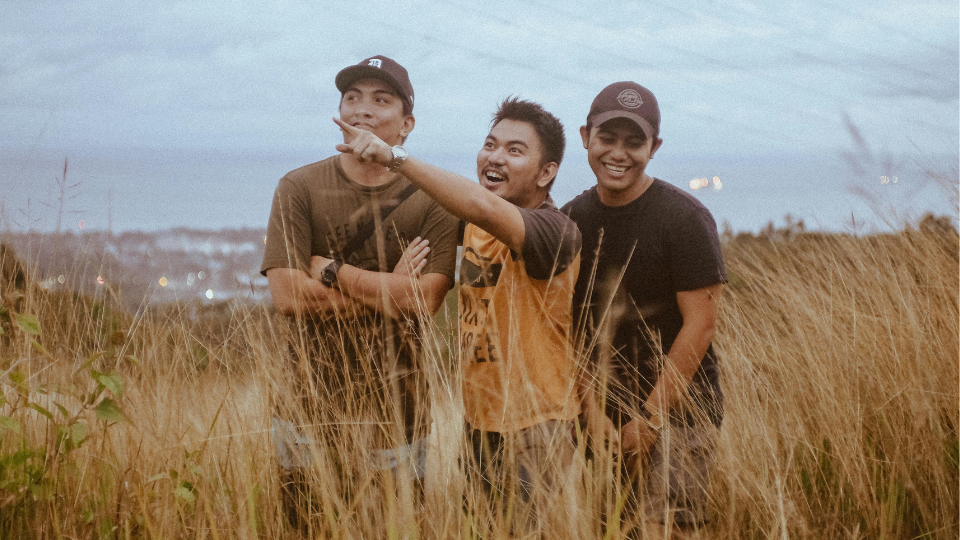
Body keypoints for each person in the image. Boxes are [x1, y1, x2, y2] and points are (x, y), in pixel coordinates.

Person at [332, 97, 583, 534]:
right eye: (490, 144)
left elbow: (480, 205)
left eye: (515, 150)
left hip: (538, 426)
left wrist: (394, 157)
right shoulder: (472, 229)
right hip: (480, 421)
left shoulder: (554, 231)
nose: (495, 157)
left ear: (547, 173)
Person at [260, 55, 459, 528]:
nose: (363, 109)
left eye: (381, 100)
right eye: (352, 98)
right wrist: (390, 288)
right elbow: (289, 297)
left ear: (407, 125)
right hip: (305, 405)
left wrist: (330, 271)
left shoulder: (434, 198)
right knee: (306, 527)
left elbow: (422, 302)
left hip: (399, 410)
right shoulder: (299, 187)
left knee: (392, 526)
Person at [562, 81, 727, 539]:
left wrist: (652, 419)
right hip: (604, 416)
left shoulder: (684, 218)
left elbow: (701, 324)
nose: (619, 153)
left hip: (681, 416)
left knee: (665, 530)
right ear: (584, 138)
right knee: (614, 530)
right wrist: (591, 410)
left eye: (634, 142)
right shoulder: (572, 218)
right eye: (607, 139)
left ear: (654, 148)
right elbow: (571, 326)